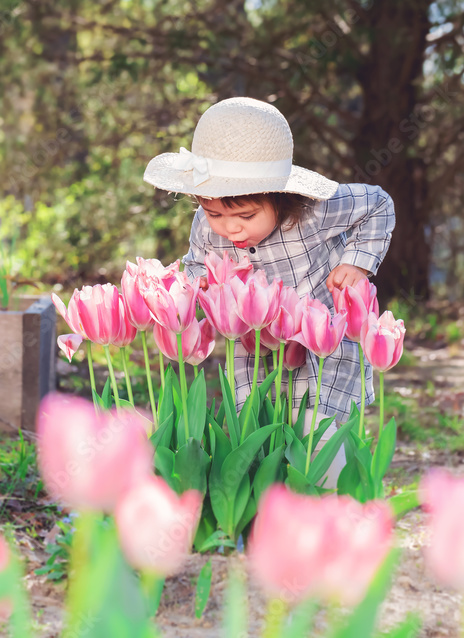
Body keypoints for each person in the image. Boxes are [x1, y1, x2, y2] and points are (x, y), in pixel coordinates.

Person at [142, 96, 395, 487]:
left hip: (321, 345)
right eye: (215, 214)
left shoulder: (315, 211)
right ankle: (268, 508)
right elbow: (196, 265)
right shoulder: (206, 226)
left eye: (245, 215)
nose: (231, 230)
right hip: (253, 349)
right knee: (255, 425)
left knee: (317, 427)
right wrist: (195, 291)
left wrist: (357, 261)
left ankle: (329, 505)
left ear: (279, 196)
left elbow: (379, 204)